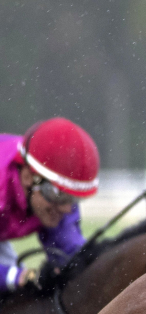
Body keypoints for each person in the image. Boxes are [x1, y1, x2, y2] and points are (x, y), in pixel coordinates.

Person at [1, 118, 99, 296]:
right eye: (59, 195)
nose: (67, 209)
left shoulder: (55, 200)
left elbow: (71, 255)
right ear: (27, 177)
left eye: (73, 198)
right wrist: (17, 276)